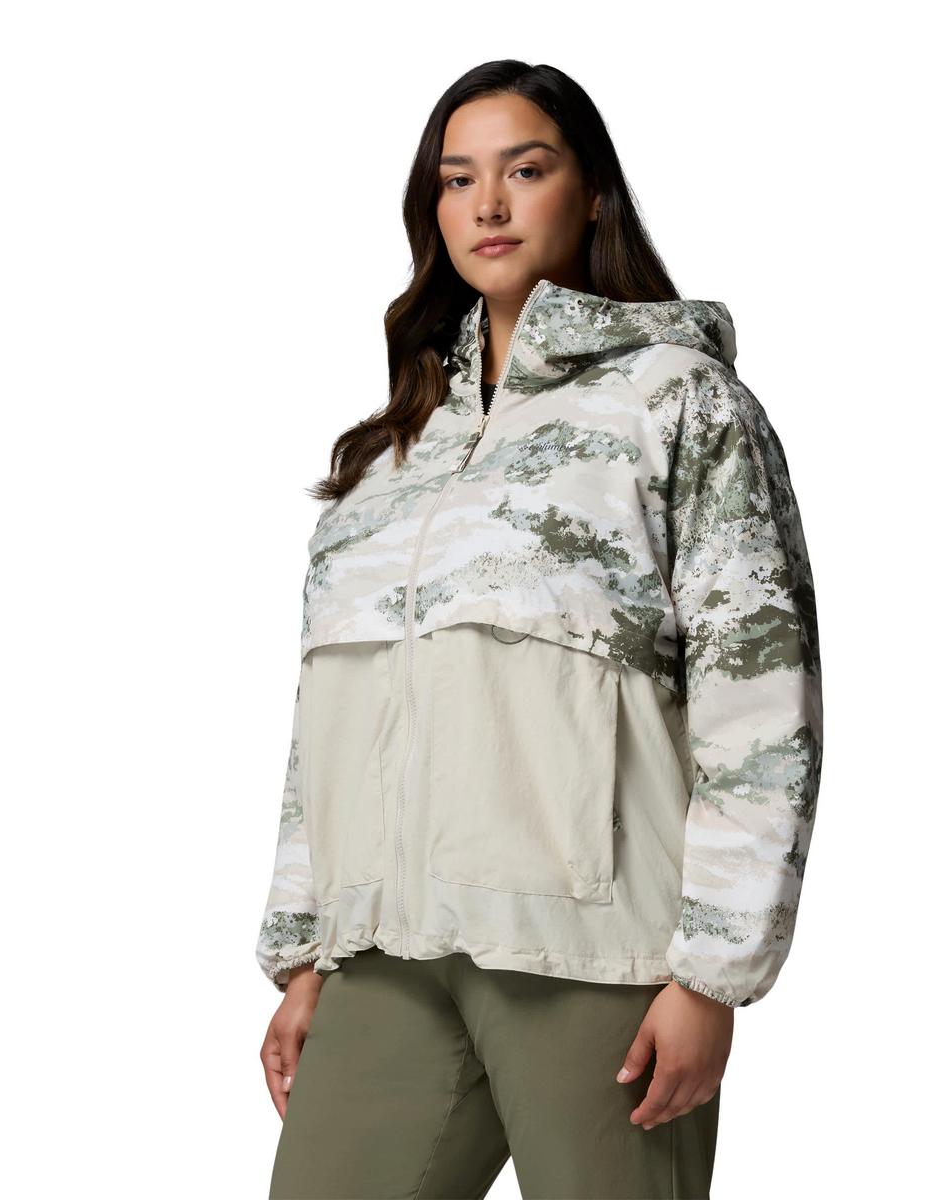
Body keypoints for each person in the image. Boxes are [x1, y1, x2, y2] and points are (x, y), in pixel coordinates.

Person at [255, 59, 823, 1200]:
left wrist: (712, 974)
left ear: (592, 191)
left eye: (525, 169)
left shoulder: (676, 400)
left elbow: (761, 699)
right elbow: (329, 722)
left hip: (594, 953)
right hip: (390, 953)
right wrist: (306, 948)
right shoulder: (390, 455)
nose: (489, 204)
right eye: (458, 179)